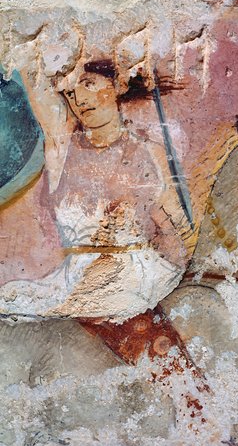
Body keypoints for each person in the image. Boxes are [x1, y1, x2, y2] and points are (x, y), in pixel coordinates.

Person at [0, 57, 192, 319]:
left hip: (130, 275)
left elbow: (172, 231)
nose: (79, 99)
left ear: (117, 85)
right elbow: (37, 86)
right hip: (75, 277)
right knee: (12, 300)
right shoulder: (63, 151)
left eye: (88, 84)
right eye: (69, 91)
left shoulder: (149, 152)